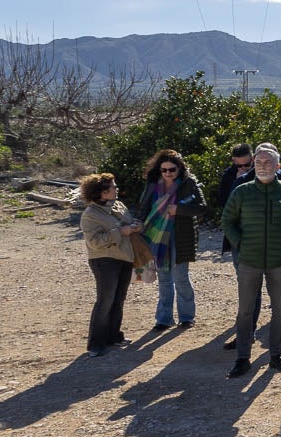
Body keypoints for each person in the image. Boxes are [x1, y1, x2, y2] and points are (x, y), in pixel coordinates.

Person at [221, 147, 281, 377]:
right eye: (259, 161)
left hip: (278, 261)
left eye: (268, 162)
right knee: (245, 311)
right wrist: (240, 243)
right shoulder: (242, 191)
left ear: (278, 166)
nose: (263, 165)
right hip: (249, 260)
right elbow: (227, 220)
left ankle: (276, 356)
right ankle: (242, 358)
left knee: (280, 310)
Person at [137, 149, 207, 331]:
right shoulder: (153, 184)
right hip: (157, 237)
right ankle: (163, 319)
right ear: (159, 170)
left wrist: (179, 210)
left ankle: (186, 317)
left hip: (181, 236)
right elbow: (144, 208)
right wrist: (138, 225)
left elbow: (202, 208)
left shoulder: (189, 183)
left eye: (172, 170)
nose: (168, 173)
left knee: (181, 276)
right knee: (164, 278)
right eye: (164, 170)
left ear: (180, 169)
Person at [79, 172, 140, 357]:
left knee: (118, 299)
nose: (116, 189)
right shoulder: (90, 215)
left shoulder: (119, 206)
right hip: (104, 261)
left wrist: (137, 226)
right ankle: (96, 344)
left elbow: (128, 225)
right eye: (113, 186)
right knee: (105, 300)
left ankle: (114, 336)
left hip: (124, 258)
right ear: (102, 192)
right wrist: (120, 232)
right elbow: (94, 242)